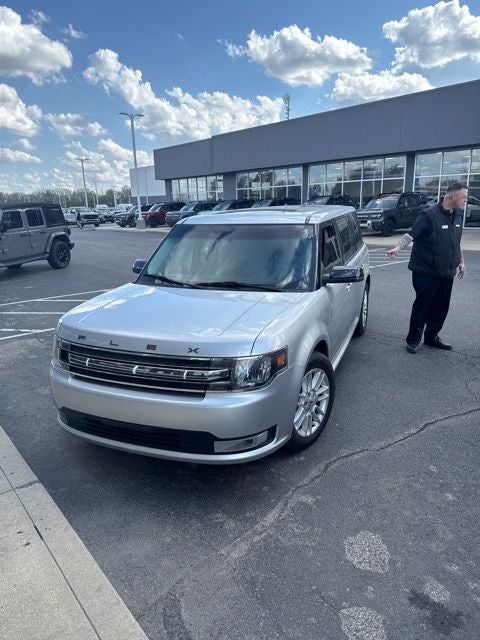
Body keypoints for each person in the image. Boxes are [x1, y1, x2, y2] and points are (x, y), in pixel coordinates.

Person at [386, 182, 467, 353]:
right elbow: (411, 234)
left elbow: (456, 241)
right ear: (452, 196)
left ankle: (431, 337)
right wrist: (398, 248)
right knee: (423, 306)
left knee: (441, 307)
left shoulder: (457, 214)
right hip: (426, 271)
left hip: (447, 271)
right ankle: (413, 340)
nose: (465, 201)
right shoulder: (429, 215)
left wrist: (461, 261)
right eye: (464, 197)